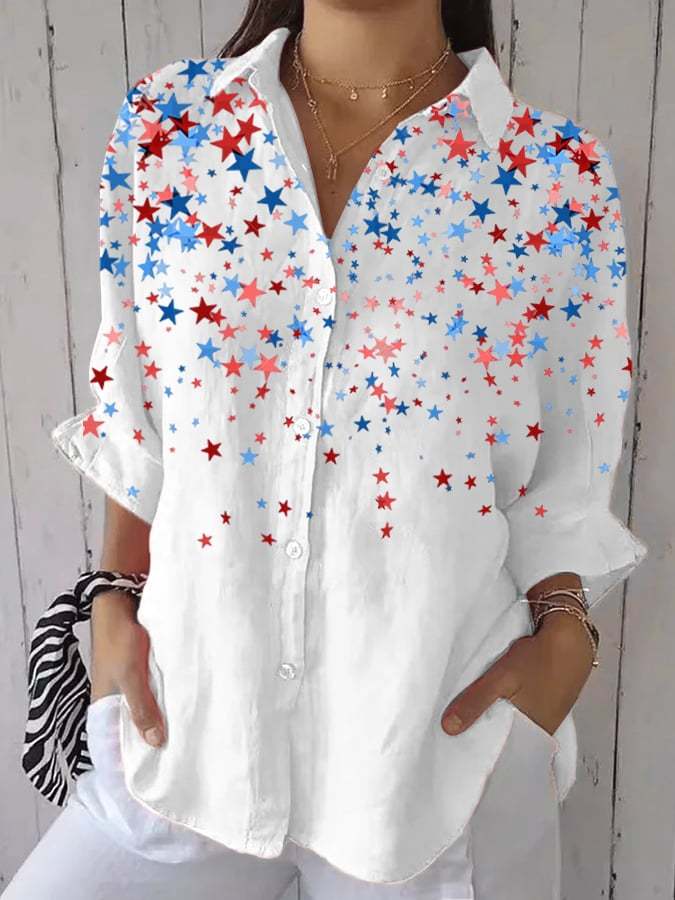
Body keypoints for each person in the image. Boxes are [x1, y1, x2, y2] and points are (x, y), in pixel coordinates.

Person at [5, 0, 648, 898]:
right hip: (184, 729)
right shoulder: (173, 126)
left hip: (434, 766)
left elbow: (566, 475)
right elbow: (138, 411)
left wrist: (563, 643)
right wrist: (114, 596)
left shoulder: (552, 176)